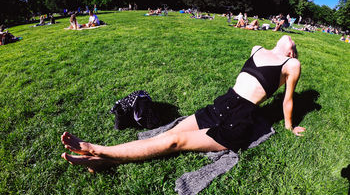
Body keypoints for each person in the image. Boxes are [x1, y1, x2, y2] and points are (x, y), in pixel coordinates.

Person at [61, 35, 304, 172]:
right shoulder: (257, 47)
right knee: (164, 136)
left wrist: (289, 127)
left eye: (294, 46)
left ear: (292, 53)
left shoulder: (291, 65)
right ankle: (103, 162)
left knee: (173, 142)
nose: (290, 40)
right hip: (221, 104)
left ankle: (96, 150)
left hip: (239, 120)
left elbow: (287, 99)